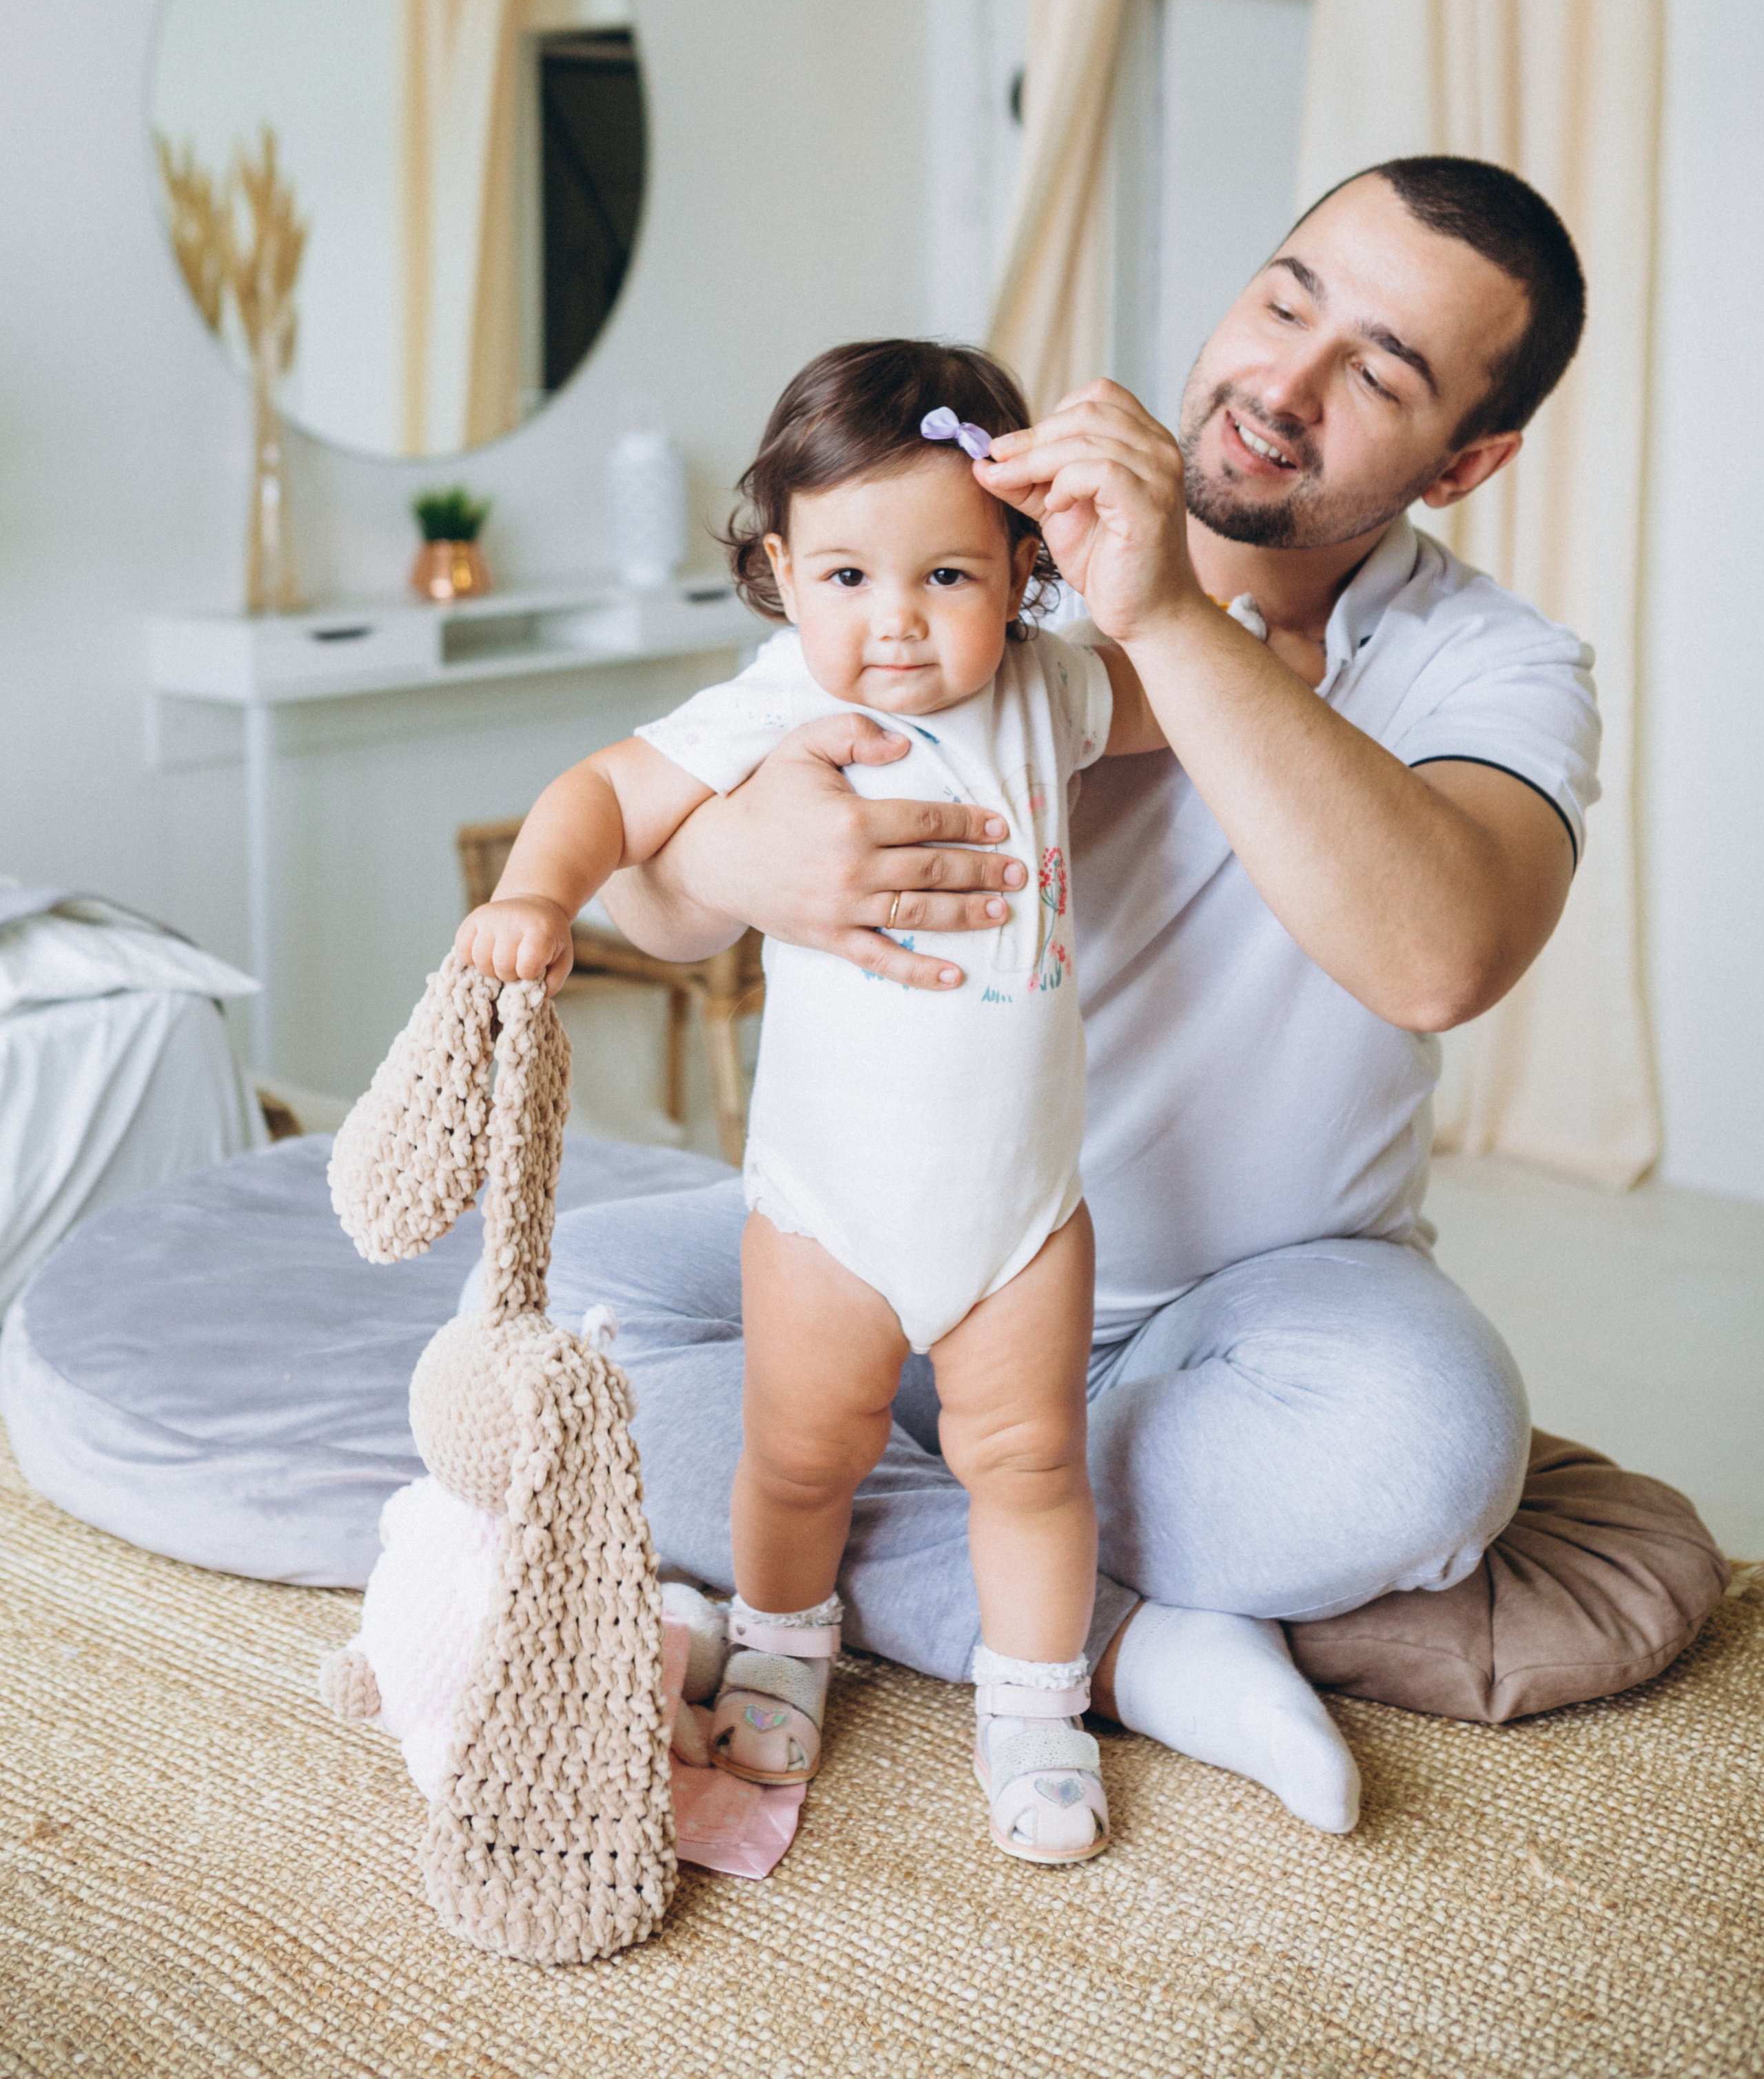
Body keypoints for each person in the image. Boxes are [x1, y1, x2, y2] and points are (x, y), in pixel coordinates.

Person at [573, 154, 1599, 1839]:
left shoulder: (1490, 665)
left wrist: (1169, 617)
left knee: (1423, 1459)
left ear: (1466, 460)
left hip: (1239, 1308)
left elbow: (1440, 957)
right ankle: (1114, 1650)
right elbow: (648, 886)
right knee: (543, 1329)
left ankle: (836, 1562)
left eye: (1379, 373)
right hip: (892, 1242)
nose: (1280, 382)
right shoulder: (969, 539)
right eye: (1284, 298)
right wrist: (736, 871)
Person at [456, 338, 1178, 1865]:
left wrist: (1163, 590)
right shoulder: (774, 701)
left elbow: (1211, 685)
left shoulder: (1055, 694)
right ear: (783, 574)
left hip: (1020, 1210)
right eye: (845, 577)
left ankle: (1036, 1709)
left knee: (1033, 1462)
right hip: (826, 1210)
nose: (895, 623)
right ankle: (783, 1644)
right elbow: (600, 794)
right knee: (797, 1455)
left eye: (946, 579)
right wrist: (537, 893)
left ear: (1021, 573)